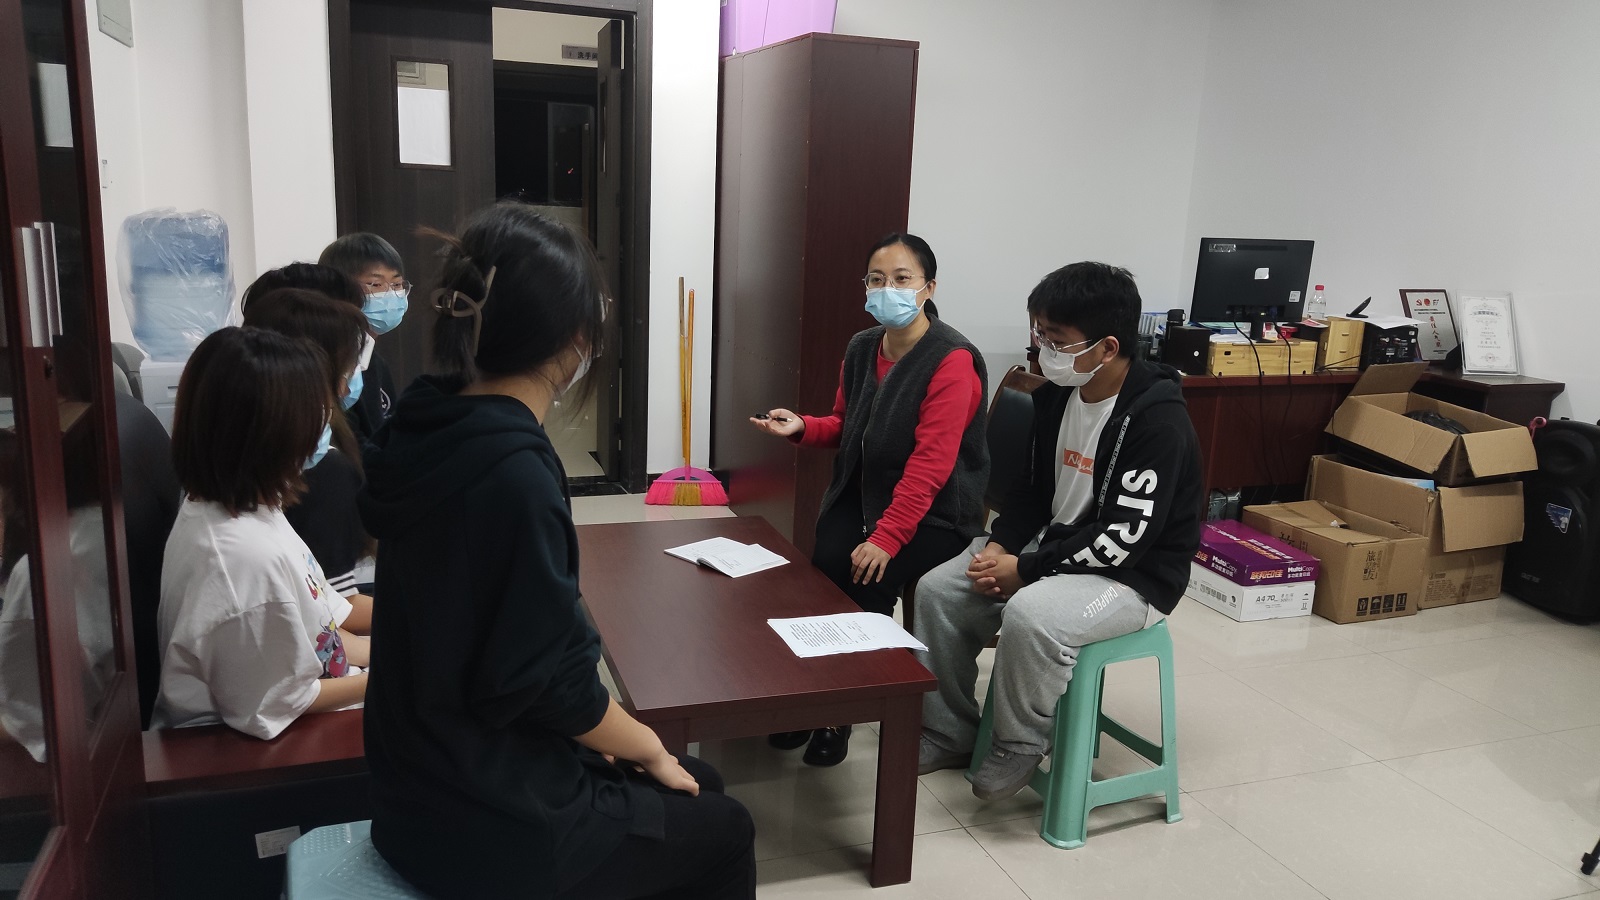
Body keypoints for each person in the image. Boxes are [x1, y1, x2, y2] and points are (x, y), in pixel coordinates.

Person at [357, 202, 755, 900]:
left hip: (411, 788)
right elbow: (547, 684)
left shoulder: (426, 419)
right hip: (485, 817)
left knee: (698, 783)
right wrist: (649, 746)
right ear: (576, 336)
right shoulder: (513, 469)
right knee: (725, 825)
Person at [911, 262, 1202, 801]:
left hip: (1134, 575)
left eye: (1057, 339)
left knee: (1031, 613)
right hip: (1053, 545)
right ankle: (949, 731)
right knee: (938, 591)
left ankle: (1020, 741)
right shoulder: (1057, 397)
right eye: (1039, 333)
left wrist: (1024, 571)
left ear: (1107, 347)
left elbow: (1122, 539)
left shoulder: (1157, 422)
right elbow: (1030, 492)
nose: (1043, 349)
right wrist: (1002, 545)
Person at [750, 233, 989, 768]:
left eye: (902, 279)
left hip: (934, 514)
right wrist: (801, 426)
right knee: (822, 572)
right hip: (864, 496)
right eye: (877, 280)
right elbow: (845, 424)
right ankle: (812, 697)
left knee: (865, 579)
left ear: (929, 287)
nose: (888, 289)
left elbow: (931, 467)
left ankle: (842, 713)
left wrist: (886, 537)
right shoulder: (863, 347)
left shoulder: (952, 360)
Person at [152, 327, 370, 740]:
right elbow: (286, 702)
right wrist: (404, 677)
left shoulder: (252, 507)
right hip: (252, 750)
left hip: (314, 700)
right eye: (316, 413)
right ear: (271, 431)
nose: (324, 424)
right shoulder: (241, 558)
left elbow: (325, 630)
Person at [241, 283, 375, 626]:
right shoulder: (321, 470)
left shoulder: (242, 471)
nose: (346, 385)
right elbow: (329, 617)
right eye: (345, 370)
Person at [318, 233, 406, 440]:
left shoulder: (375, 362)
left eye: (397, 285)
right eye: (375, 284)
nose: (390, 295)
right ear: (339, 290)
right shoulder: (329, 362)